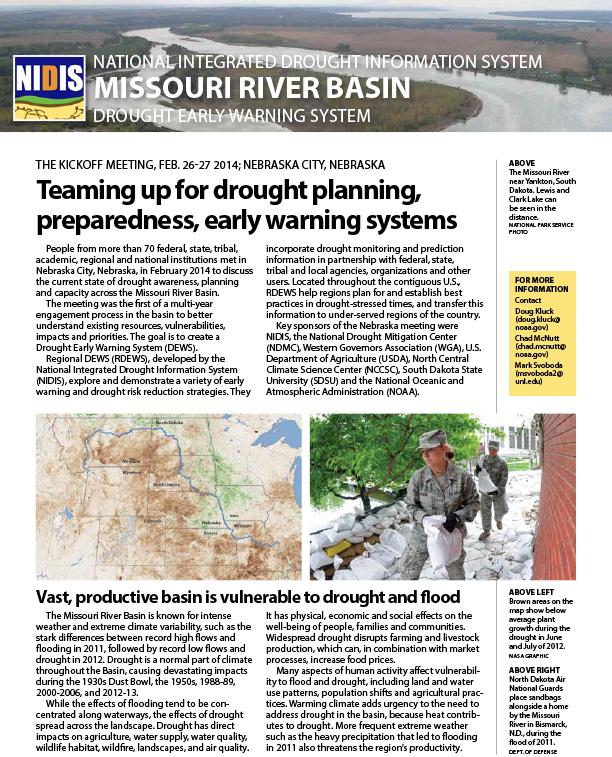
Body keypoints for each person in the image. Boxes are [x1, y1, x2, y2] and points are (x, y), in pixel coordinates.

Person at [401, 429, 480, 580]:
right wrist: (424, 519)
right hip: (422, 534)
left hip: (452, 534)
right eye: (423, 451)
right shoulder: (418, 477)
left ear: (443, 448)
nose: (425, 455)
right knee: (408, 573)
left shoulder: (462, 477)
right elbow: (410, 506)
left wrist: (458, 516)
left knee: (456, 573)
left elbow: (474, 503)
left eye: (430, 449)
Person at [476, 440, 509, 540]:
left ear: (498, 450)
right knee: (485, 511)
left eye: (494, 449)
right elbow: (478, 474)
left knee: (500, 509)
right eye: (490, 449)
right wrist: (477, 471)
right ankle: (486, 531)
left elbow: (504, 478)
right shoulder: (482, 460)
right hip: (485, 491)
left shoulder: (502, 462)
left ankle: (498, 519)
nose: (492, 451)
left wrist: (499, 490)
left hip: (497, 491)